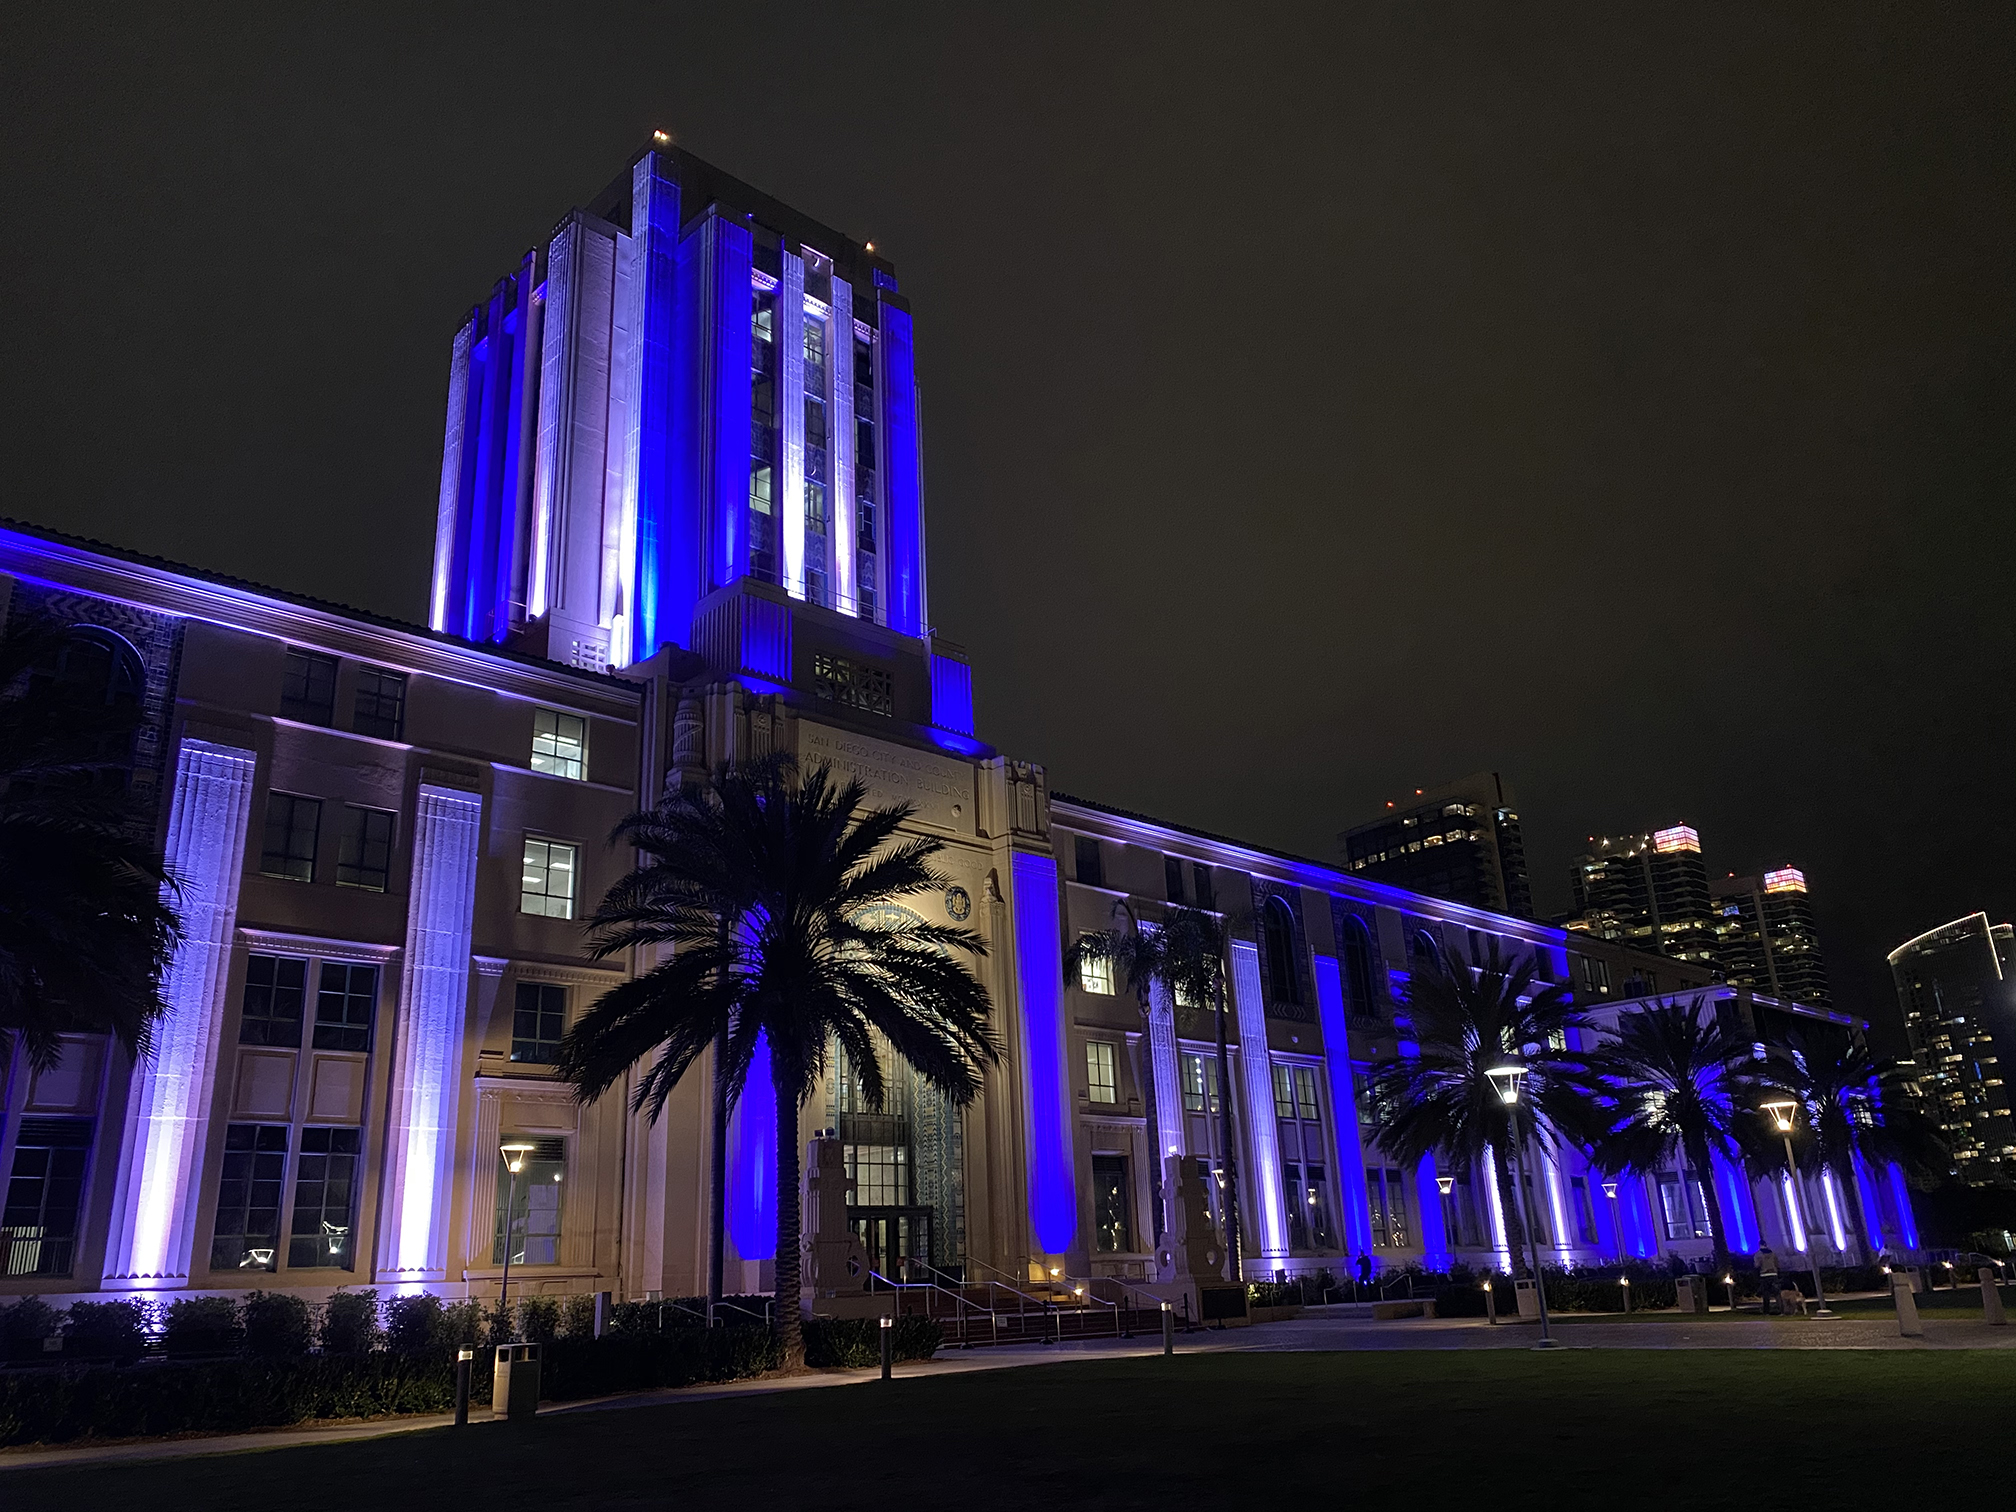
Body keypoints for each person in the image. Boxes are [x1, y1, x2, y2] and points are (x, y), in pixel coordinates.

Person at [1758, 1245, 1780, 1315]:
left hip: (1764, 1275)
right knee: (1777, 1294)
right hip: (1773, 1274)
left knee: (1766, 1294)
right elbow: (1777, 1264)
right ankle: (1781, 1310)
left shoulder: (1758, 1254)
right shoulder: (1773, 1254)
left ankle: (1766, 1311)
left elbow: (1757, 1265)